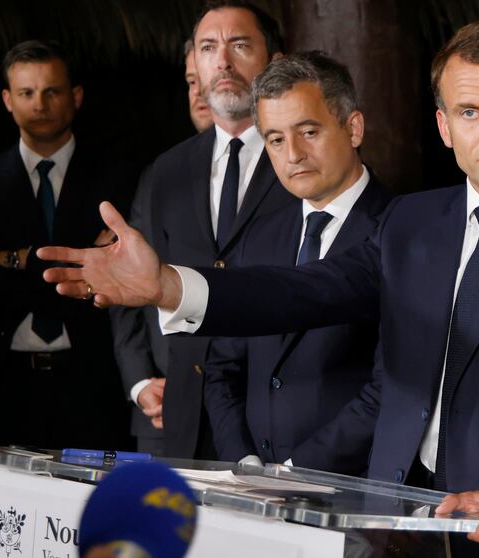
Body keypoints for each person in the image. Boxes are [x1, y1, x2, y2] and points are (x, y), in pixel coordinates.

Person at [39, 19, 479, 555]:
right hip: (396, 527)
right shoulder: (412, 221)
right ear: (443, 126)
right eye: (469, 112)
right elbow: (307, 291)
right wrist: (169, 286)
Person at [114, 0, 295, 460]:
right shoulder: (168, 170)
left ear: (273, 62)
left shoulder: (301, 160)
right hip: (179, 419)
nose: (223, 61)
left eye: (239, 45)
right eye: (208, 47)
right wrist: (141, 382)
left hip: (273, 419)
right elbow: (139, 284)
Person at [205, 51, 390, 472]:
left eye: (308, 131)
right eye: (274, 138)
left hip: (350, 489)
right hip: (253, 488)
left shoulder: (401, 232)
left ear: (354, 127)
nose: (293, 154)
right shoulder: (258, 236)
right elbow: (223, 368)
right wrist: (244, 462)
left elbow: (392, 387)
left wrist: (295, 471)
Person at [0, 40, 134, 449]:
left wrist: (17, 259)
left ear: (76, 96)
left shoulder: (118, 179)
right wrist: (81, 260)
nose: (40, 103)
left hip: (91, 382)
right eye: (26, 93)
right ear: (7, 100)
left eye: (52, 91)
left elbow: (115, 280)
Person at [109, 37, 214, 456]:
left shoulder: (283, 168)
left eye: (206, 79)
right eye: (191, 80)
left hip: (250, 418)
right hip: (161, 411)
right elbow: (127, 288)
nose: (199, 91)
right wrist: (140, 384)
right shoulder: (161, 173)